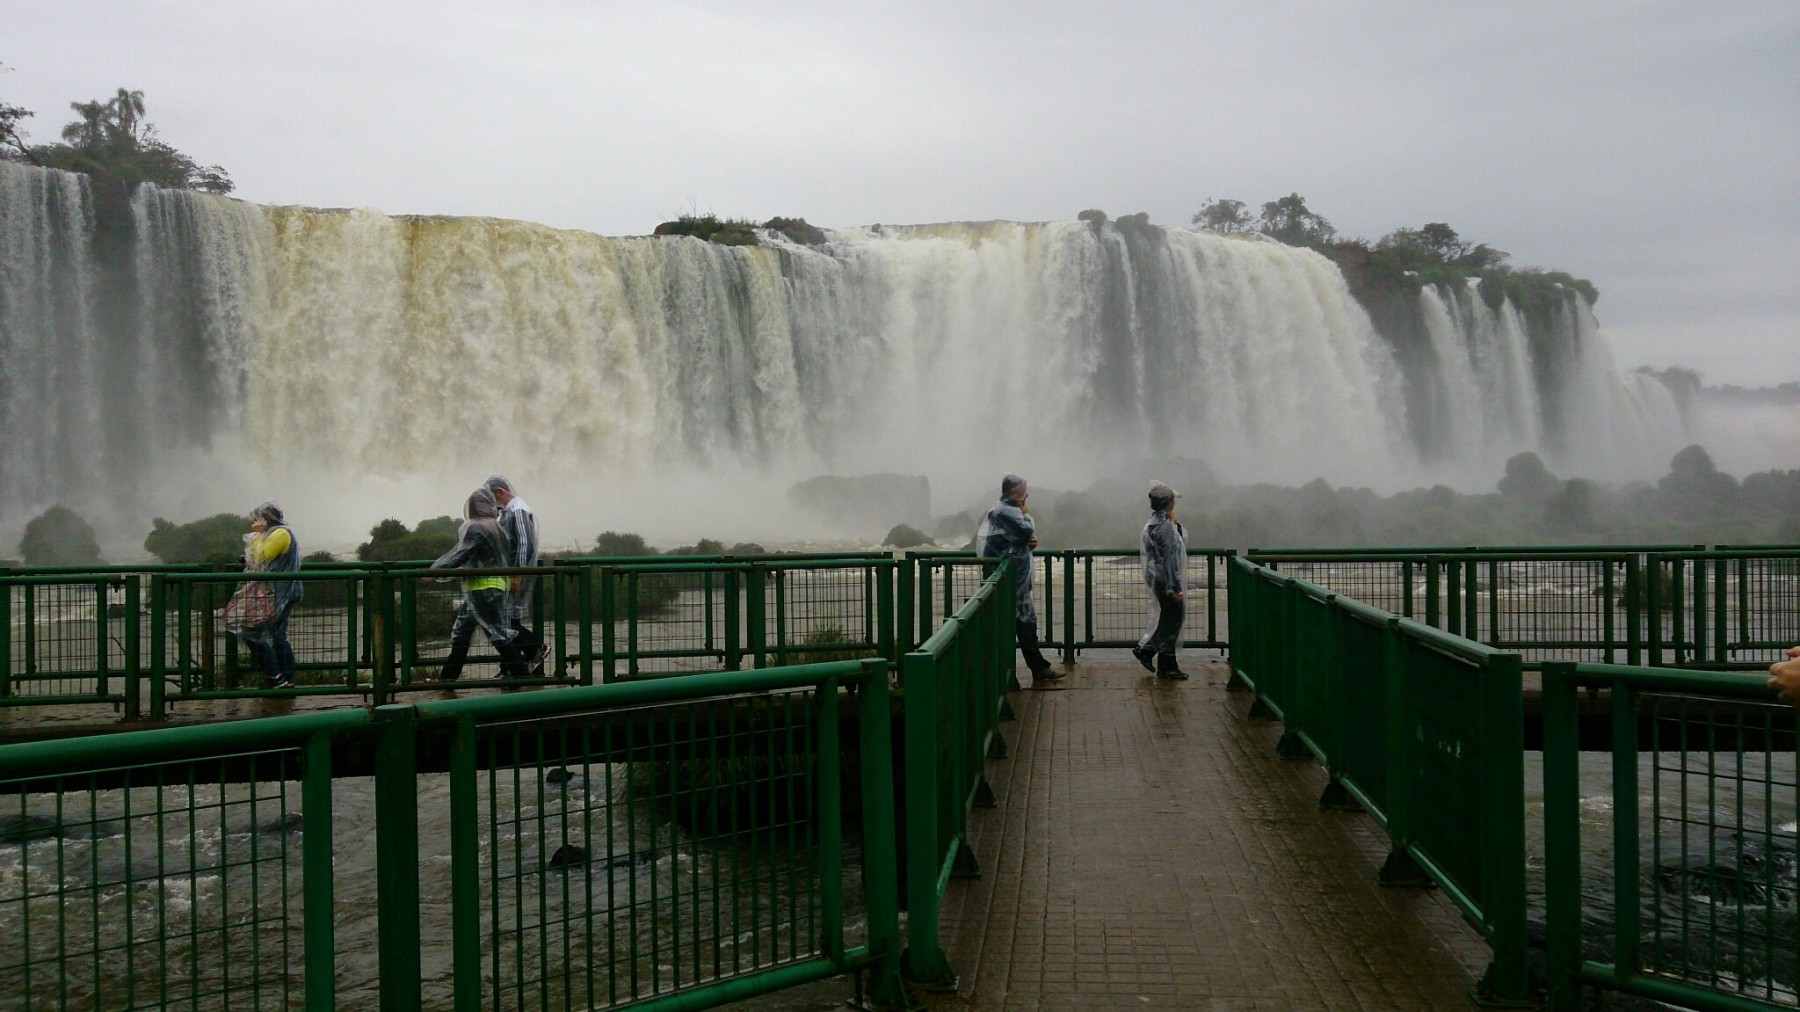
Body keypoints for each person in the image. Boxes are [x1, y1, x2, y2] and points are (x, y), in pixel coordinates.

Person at [427, 487, 528, 680]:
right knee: (463, 635)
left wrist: (436, 571)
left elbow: (461, 553)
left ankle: (523, 675)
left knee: (498, 636)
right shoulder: (496, 527)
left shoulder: (477, 528)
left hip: (483, 590)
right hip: (489, 588)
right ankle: (447, 679)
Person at [976, 473, 1059, 683]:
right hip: (1008, 580)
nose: (1027, 495)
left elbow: (1021, 539)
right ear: (1014, 493)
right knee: (1011, 626)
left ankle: (1036, 668)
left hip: (1015, 580)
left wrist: (1030, 541)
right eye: (1024, 492)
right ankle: (1005, 676)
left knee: (1025, 624)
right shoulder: (1006, 511)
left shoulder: (1005, 509)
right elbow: (1025, 532)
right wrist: (1027, 516)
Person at [486, 474, 549, 675]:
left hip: (515, 573)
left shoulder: (518, 509)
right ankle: (512, 667)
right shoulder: (508, 511)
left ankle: (535, 649)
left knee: (507, 620)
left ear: (500, 492)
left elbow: (525, 543)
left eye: (492, 498)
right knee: (507, 619)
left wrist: (517, 573)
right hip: (510, 573)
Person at [238, 500, 302, 689]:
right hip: (278, 591)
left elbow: (261, 557)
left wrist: (257, 536)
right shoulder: (275, 533)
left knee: (251, 632)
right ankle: (284, 679)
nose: (254, 522)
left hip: (281, 592)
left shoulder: (280, 534)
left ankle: (277, 677)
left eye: (257, 518)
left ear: (266, 519)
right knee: (276, 635)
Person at [1131, 481, 1189, 680]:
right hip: (1166, 580)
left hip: (1156, 577)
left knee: (1168, 619)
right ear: (1169, 503)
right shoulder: (1164, 527)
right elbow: (1171, 557)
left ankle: (1159, 658)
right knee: (1174, 619)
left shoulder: (1153, 523)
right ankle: (1161, 661)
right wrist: (1175, 589)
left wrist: (1175, 523)